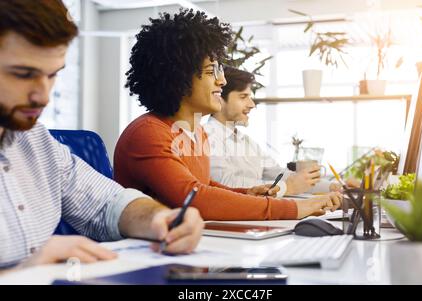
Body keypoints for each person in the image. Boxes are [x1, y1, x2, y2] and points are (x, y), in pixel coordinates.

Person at [0, 0, 203, 274]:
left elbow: (107, 203)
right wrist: (22, 272)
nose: (44, 96)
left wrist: (159, 218)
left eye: (53, 75)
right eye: (24, 75)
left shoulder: (35, 141)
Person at [114, 9, 342, 221]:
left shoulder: (195, 131)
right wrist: (296, 208)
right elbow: (195, 198)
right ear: (179, 79)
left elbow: (203, 184)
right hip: (150, 254)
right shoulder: (148, 133)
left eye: (220, 71)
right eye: (210, 71)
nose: (221, 80)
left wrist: (248, 193)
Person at [204, 66, 343, 197]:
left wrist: (334, 187)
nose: (252, 104)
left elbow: (280, 174)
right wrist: (285, 187)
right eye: (243, 97)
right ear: (219, 98)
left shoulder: (247, 142)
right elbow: (224, 184)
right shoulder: (207, 137)